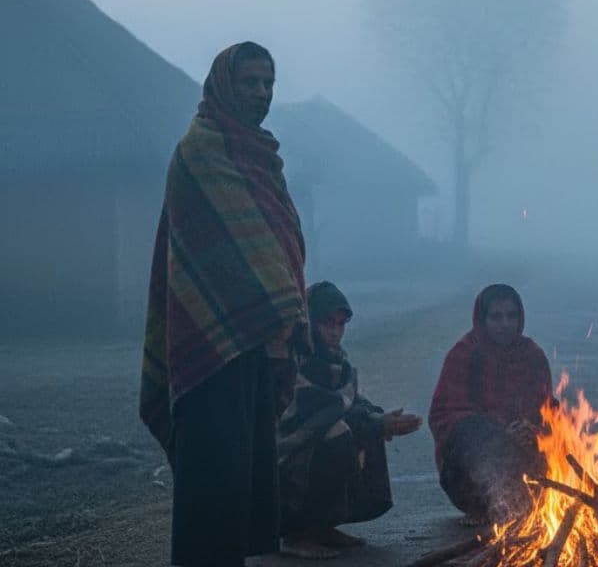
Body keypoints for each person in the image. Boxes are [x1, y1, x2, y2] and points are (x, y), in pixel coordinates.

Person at [140, 42, 307, 567]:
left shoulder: (261, 153)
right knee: (212, 470)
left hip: (256, 343)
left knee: (243, 471)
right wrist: (274, 305)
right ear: (222, 84)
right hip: (209, 346)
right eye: (249, 83)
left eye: (267, 84)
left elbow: (275, 240)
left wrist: (279, 322)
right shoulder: (201, 151)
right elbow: (218, 252)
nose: (259, 93)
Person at [277, 282, 423, 559]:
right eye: (327, 323)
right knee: (340, 434)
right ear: (309, 322)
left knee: (367, 424)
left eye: (340, 324)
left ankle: (323, 526)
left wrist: (379, 419)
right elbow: (318, 413)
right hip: (286, 462)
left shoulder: (338, 363)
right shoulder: (294, 360)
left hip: (310, 448)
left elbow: (352, 402)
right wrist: (374, 423)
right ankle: (296, 533)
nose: (335, 332)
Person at [429, 284, 553, 526]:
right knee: (474, 429)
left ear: (521, 319)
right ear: (482, 319)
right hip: (470, 475)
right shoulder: (464, 354)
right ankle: (484, 509)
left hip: (525, 464)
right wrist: (499, 431)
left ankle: (529, 504)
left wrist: (533, 430)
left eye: (512, 316)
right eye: (496, 317)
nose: (505, 324)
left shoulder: (532, 356)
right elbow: (443, 416)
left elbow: (548, 410)